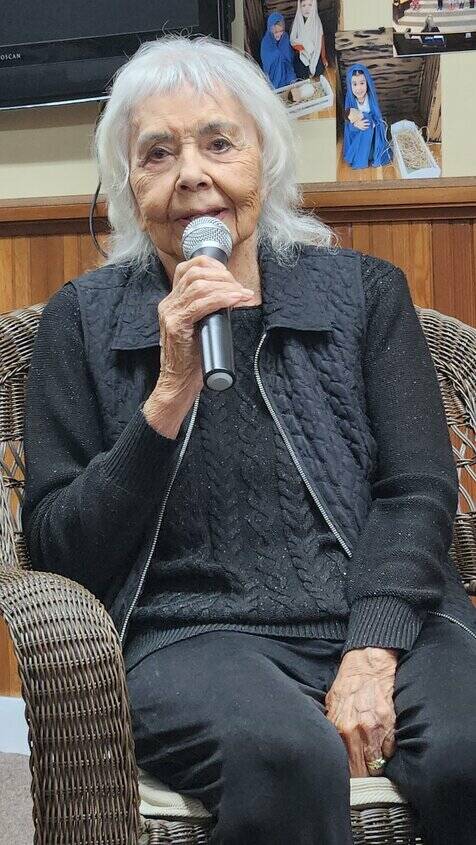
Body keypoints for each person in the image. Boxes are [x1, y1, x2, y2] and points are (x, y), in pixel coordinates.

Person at [22, 34, 476, 845]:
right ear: (131, 187)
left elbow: (418, 489)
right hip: (193, 634)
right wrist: (168, 396)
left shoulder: (366, 294)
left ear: (262, 161)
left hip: (374, 616)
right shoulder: (81, 321)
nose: (192, 172)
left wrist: (372, 649)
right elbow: (59, 545)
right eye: (157, 153)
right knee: (286, 757)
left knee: (470, 753)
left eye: (218, 141)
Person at [343, 63, 393, 169]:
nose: (359, 88)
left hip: (371, 129)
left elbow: (377, 116)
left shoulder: (370, 97)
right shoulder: (350, 98)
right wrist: (356, 124)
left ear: (367, 83)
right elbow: (348, 119)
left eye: (362, 83)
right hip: (357, 130)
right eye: (355, 84)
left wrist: (371, 122)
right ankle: (361, 159)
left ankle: (372, 154)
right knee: (365, 122)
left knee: (368, 120)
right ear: (350, 85)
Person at [290, 0, 328, 81]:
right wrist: (302, 47)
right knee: (300, 70)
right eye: (303, 6)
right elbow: (293, 40)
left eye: (310, 5)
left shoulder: (317, 23)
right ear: (299, 7)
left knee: (319, 70)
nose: (306, 8)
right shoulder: (297, 22)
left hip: (314, 53)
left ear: (314, 6)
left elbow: (321, 41)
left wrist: (323, 57)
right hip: (302, 52)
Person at [260, 12, 297, 89]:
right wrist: (278, 55)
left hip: (286, 70)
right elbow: (266, 62)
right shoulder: (265, 42)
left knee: (292, 82)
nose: (279, 34)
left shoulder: (285, 37)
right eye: (276, 32)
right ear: (270, 30)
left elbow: (289, 57)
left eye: (281, 31)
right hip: (273, 74)